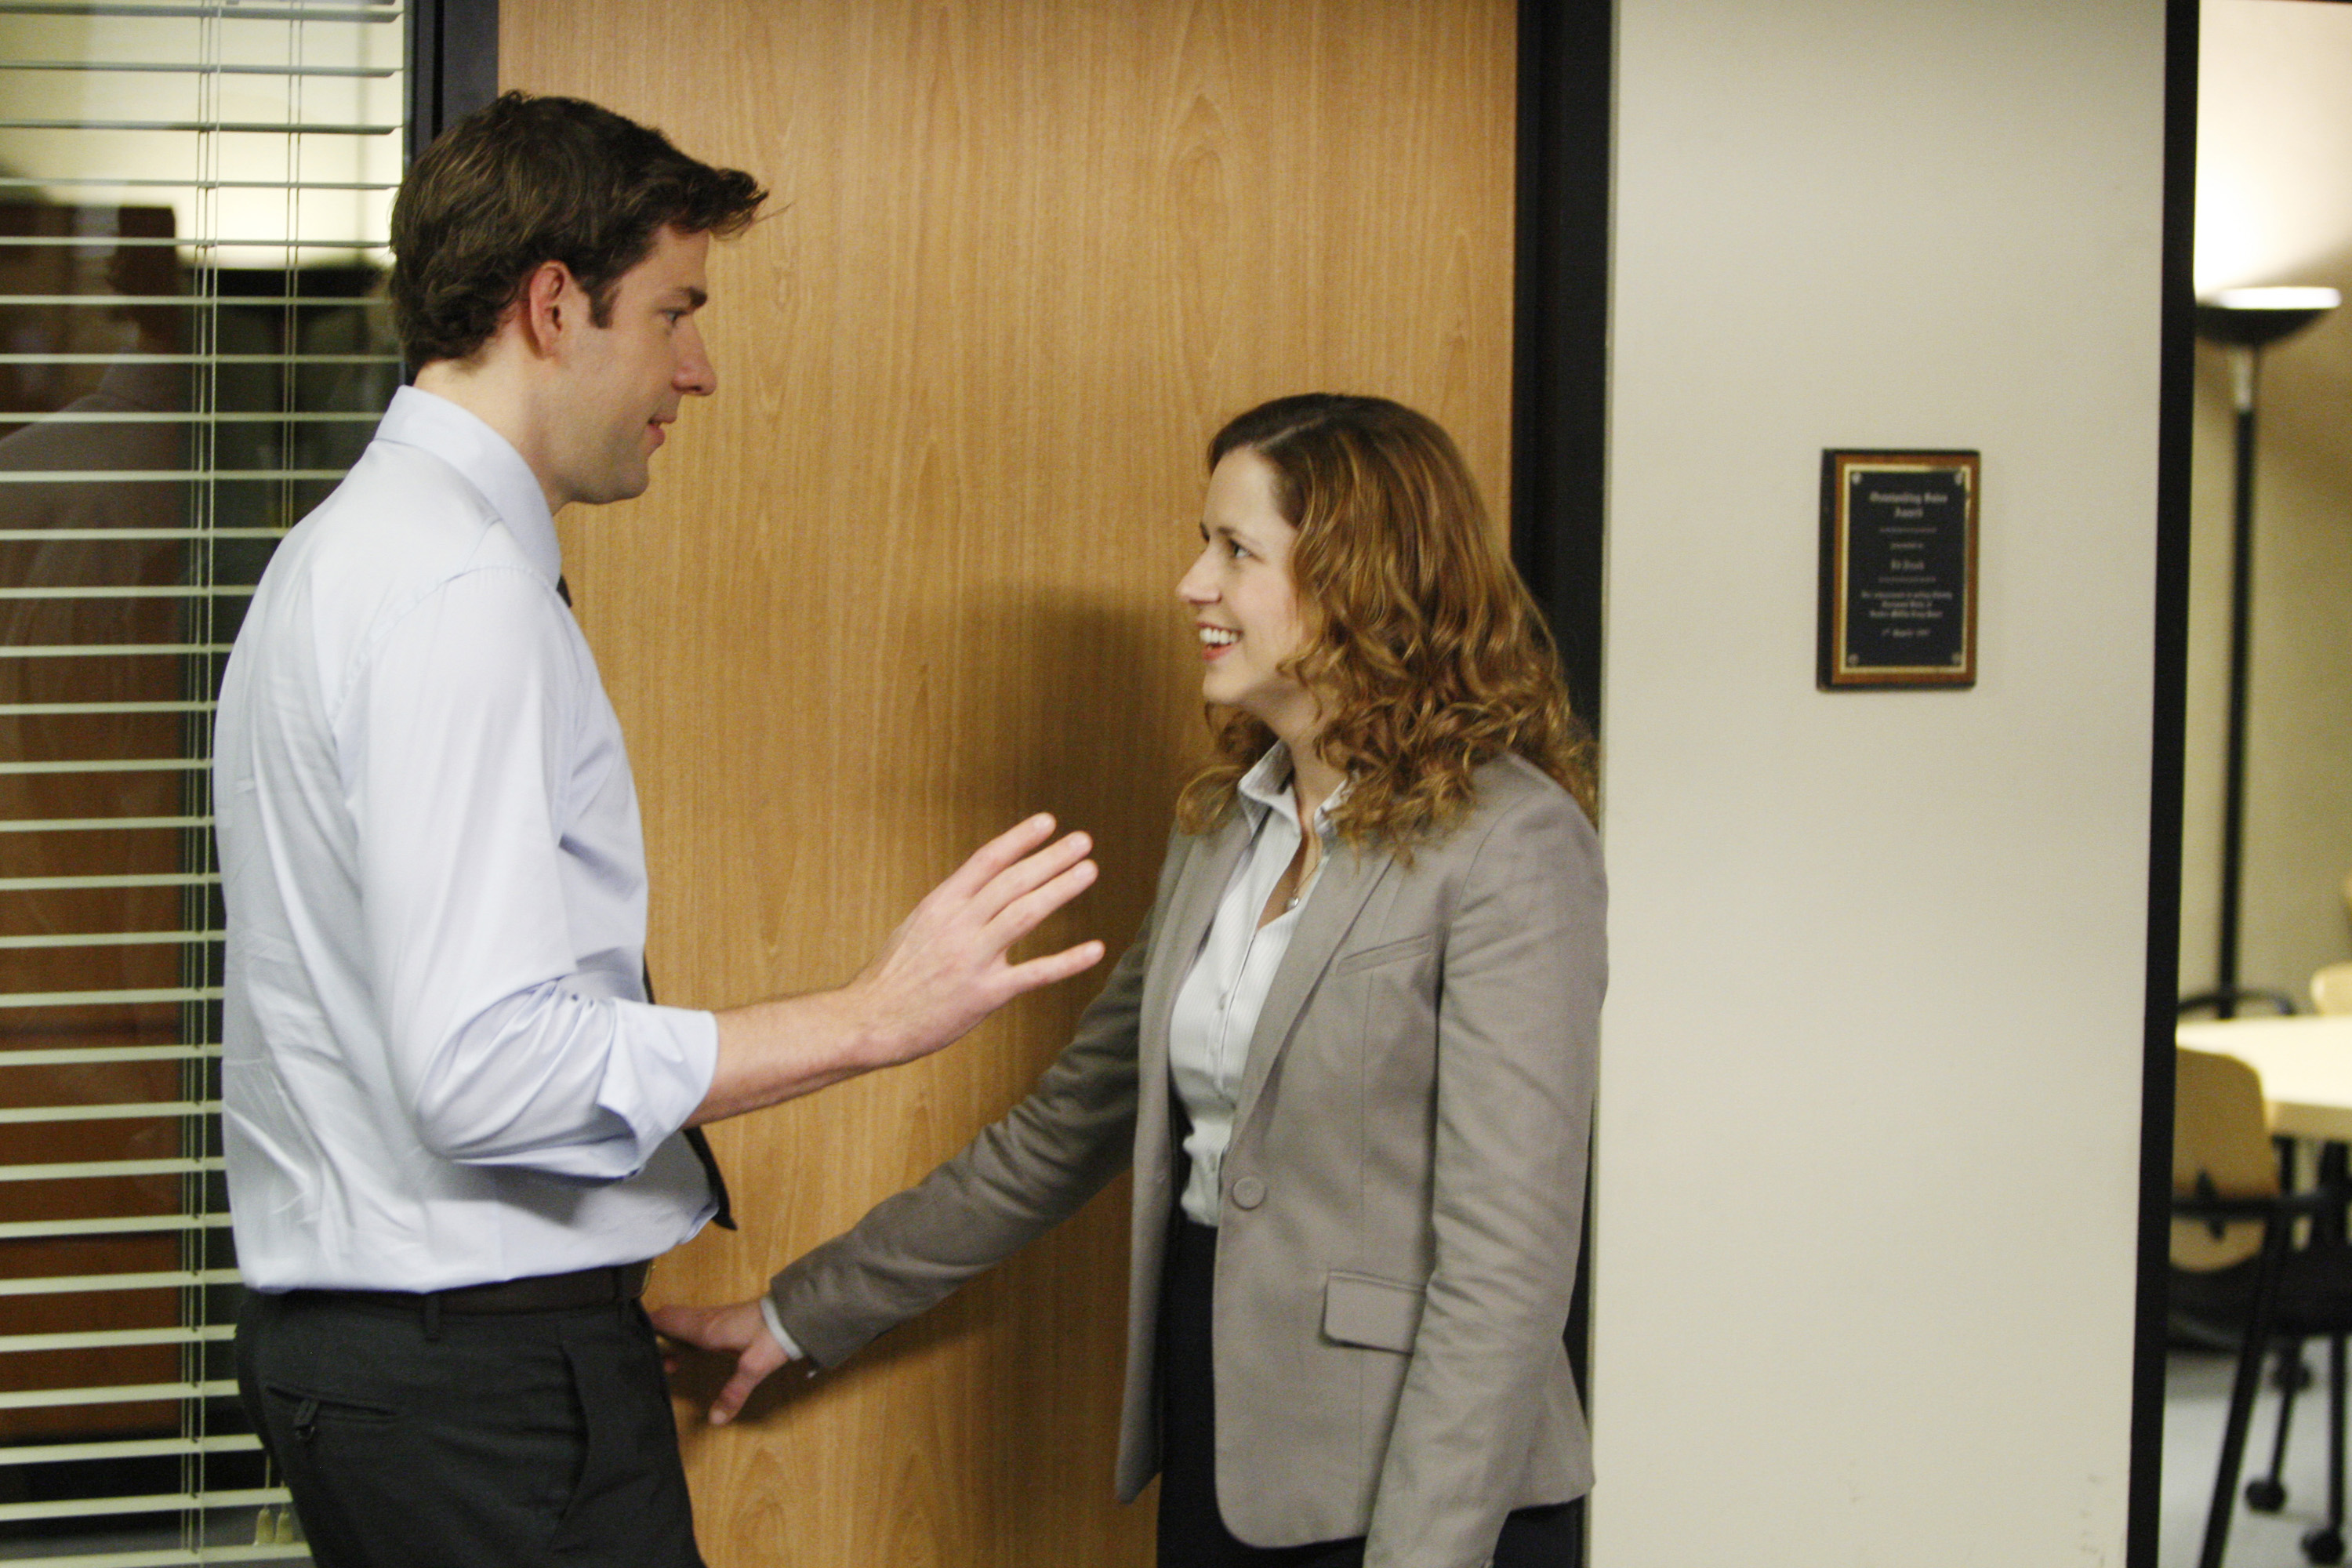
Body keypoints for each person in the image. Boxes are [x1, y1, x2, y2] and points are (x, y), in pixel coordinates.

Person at [214, 93, 1103, 1568]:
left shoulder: (340, 556)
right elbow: (486, 1070)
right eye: (675, 313)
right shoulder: (456, 595)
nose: (700, 370)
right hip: (481, 1391)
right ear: (553, 306)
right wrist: (873, 1018)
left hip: (410, 1370)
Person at [658, 393, 1605, 1568]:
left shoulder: (1513, 844)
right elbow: (1062, 1135)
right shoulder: (1224, 830)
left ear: (1361, 579)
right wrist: (802, 1311)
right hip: (1219, 1447)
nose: (1191, 584)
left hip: (1427, 1494)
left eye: (1236, 550)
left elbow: (1507, 1268)